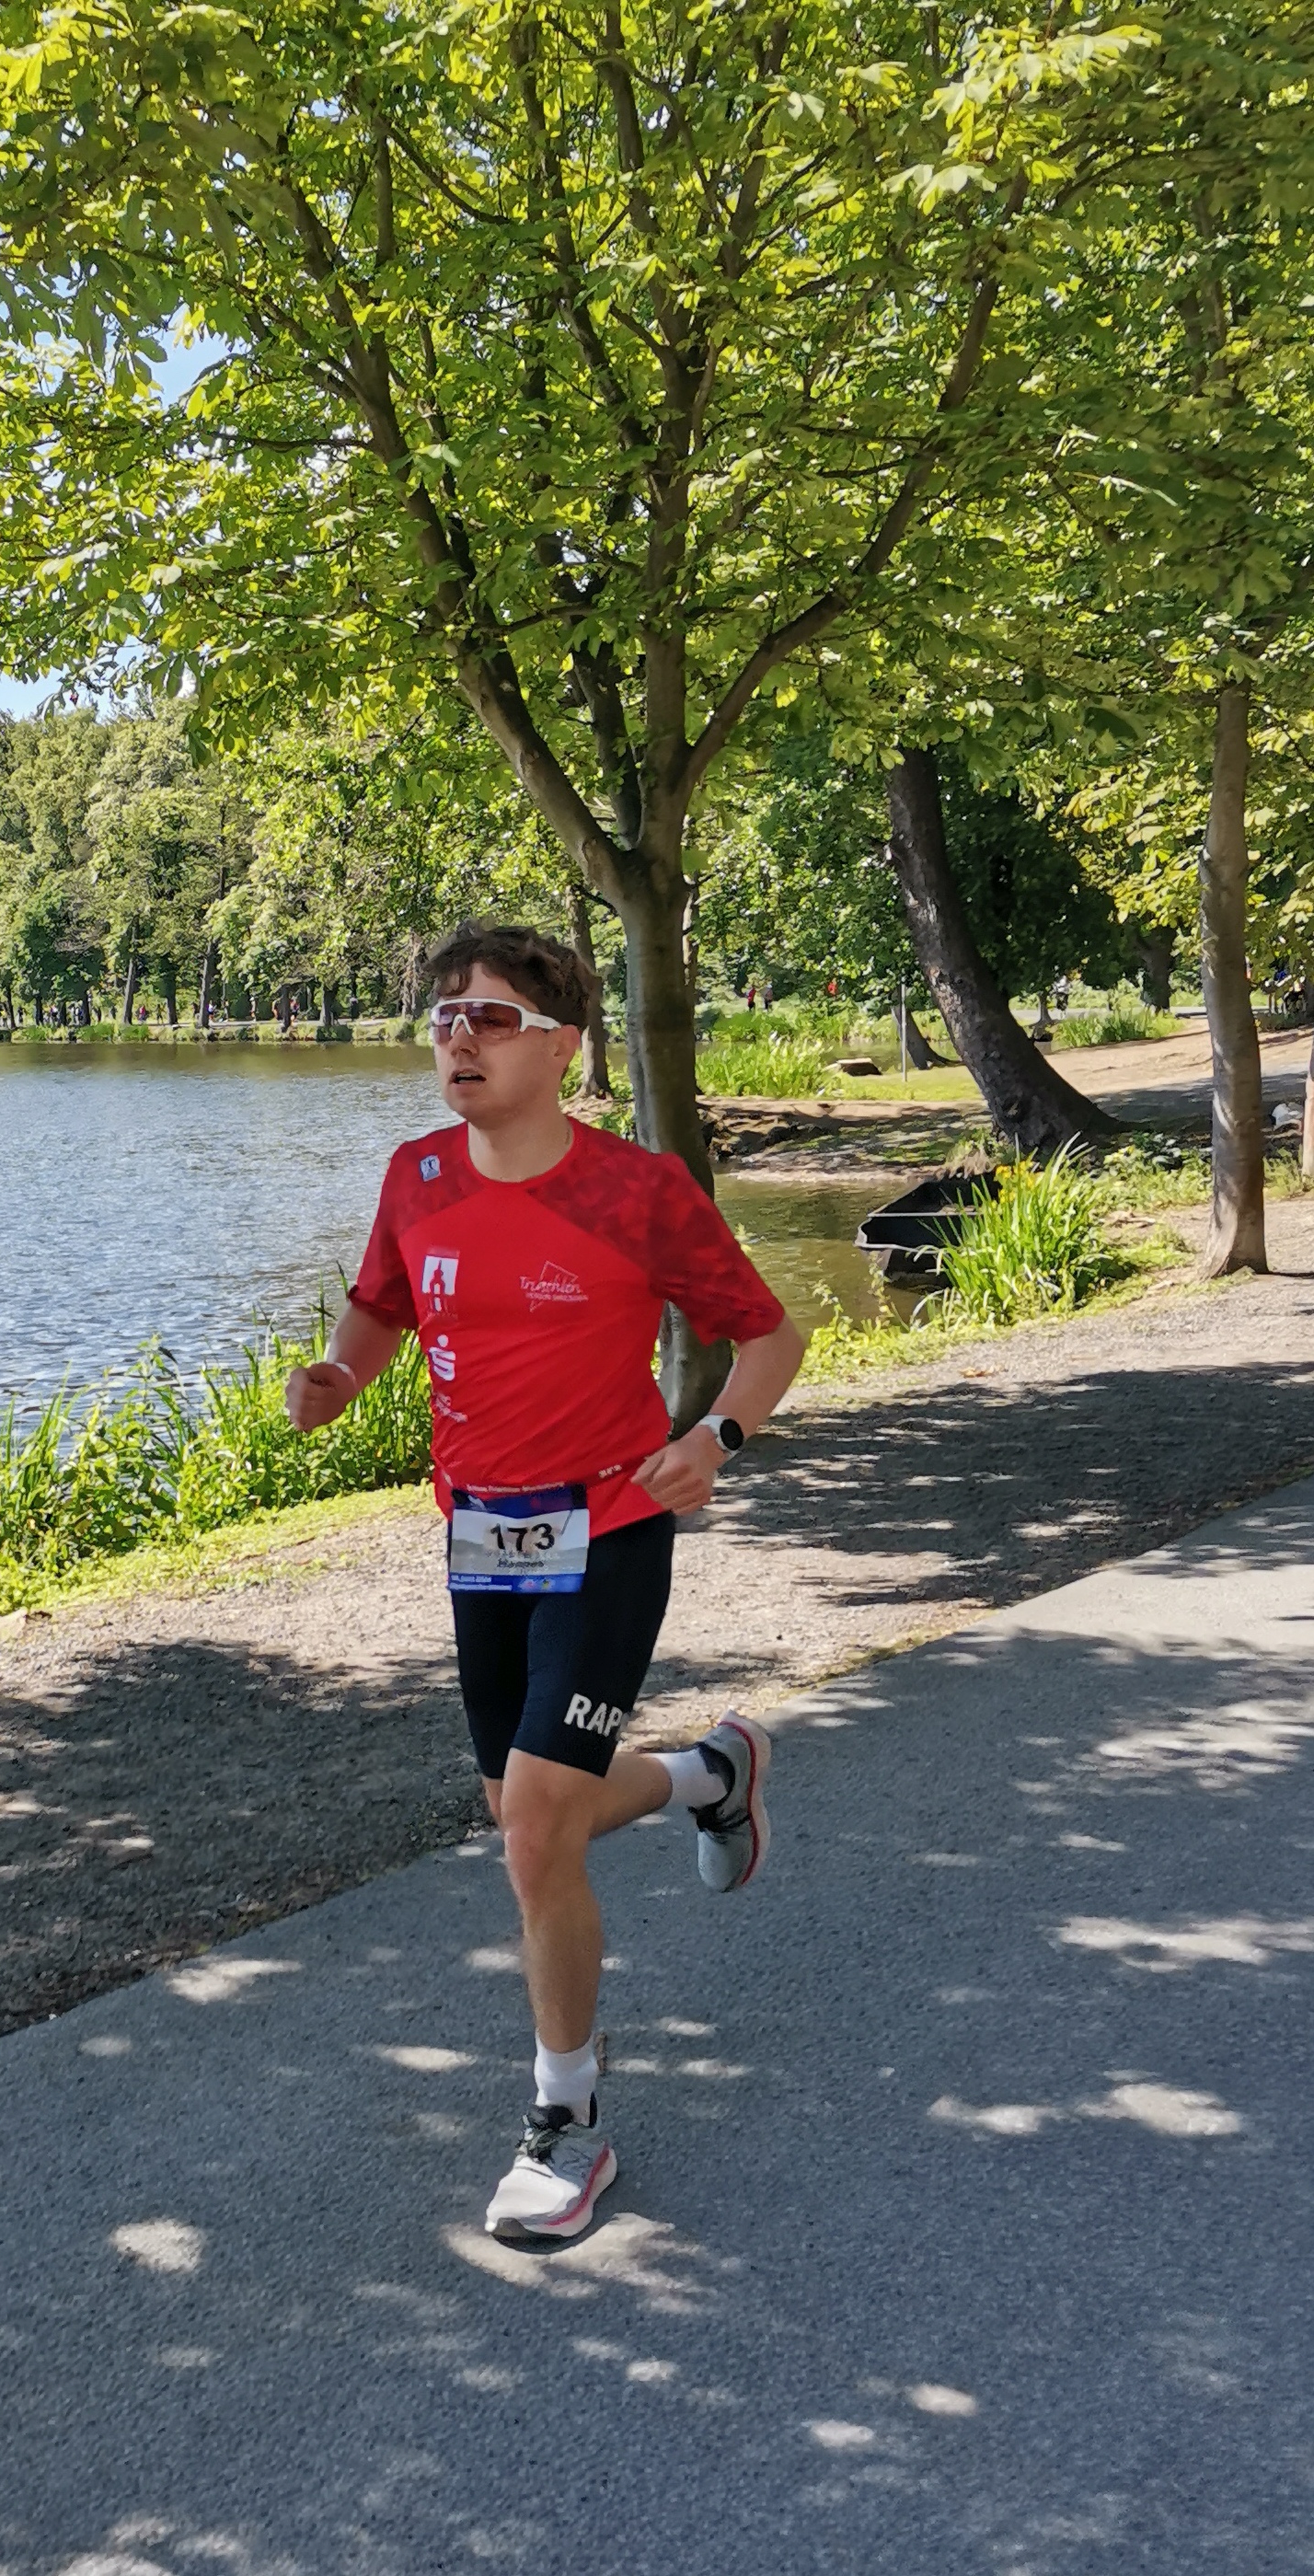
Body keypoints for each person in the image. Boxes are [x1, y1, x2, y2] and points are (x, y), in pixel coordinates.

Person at [287, 919, 804, 2245]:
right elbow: (384, 1305)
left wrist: (715, 1437)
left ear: (563, 1045)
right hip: (482, 1535)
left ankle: (567, 2122)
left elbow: (766, 1334)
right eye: (444, 1014)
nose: (458, 1036)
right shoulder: (414, 1177)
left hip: (609, 1524)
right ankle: (709, 1775)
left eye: (491, 1017)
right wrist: (342, 1373)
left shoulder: (638, 1191)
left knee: (531, 1832)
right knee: (527, 1815)